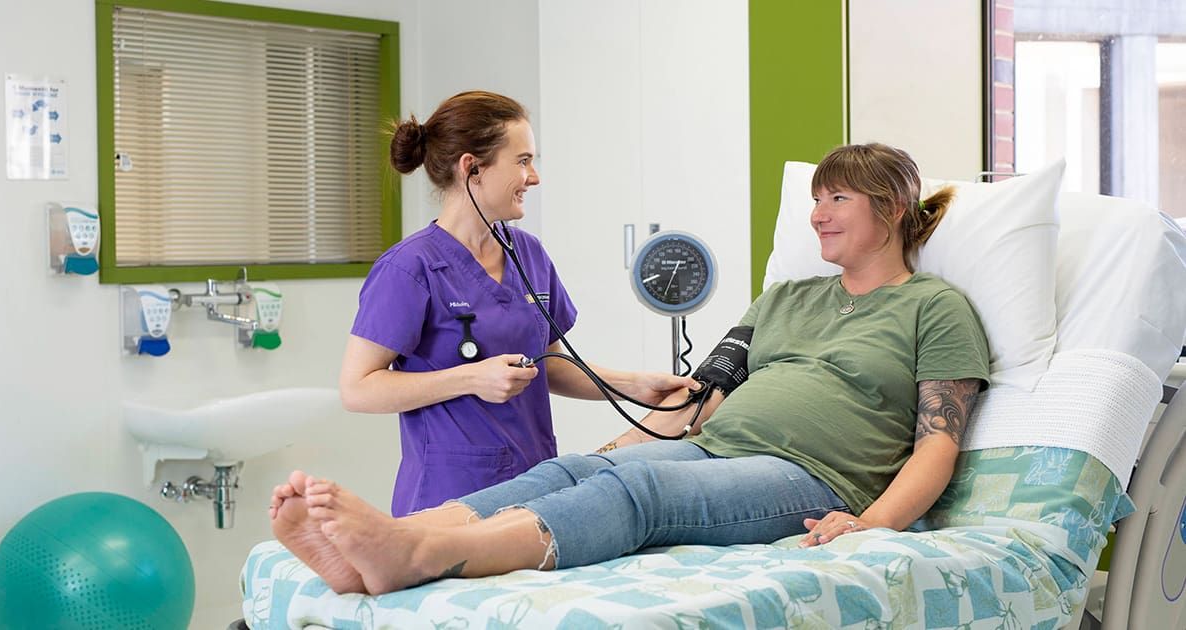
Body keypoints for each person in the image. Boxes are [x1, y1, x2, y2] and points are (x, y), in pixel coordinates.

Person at [271, 142, 991, 596]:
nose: (816, 216)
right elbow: (703, 396)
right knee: (575, 472)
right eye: (814, 200)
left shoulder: (934, 308)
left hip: (811, 475)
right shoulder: (785, 297)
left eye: (837, 199)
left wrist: (870, 523)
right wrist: (610, 449)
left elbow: (937, 443)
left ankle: (423, 553)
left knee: (637, 488)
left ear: (892, 208)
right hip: (713, 448)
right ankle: (386, 543)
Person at [339, 90, 696, 517]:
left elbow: (548, 363)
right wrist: (469, 379)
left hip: (535, 488)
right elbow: (357, 388)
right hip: (448, 498)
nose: (535, 177)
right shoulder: (410, 268)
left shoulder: (527, 254)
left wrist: (634, 385)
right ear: (472, 168)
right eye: (523, 161)